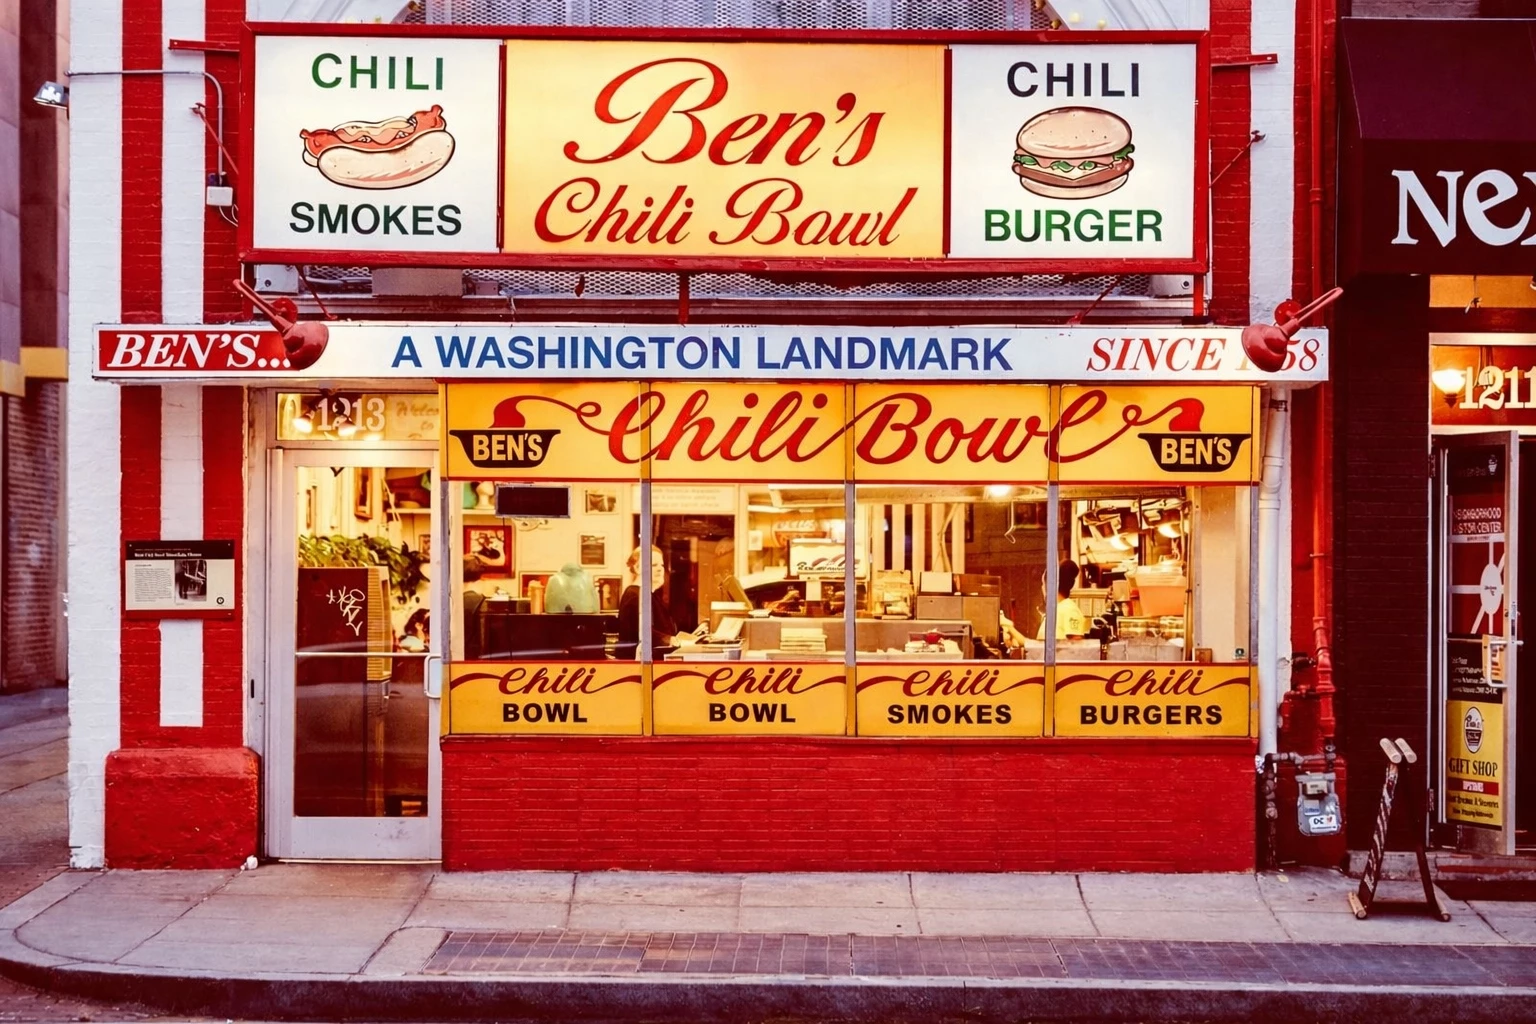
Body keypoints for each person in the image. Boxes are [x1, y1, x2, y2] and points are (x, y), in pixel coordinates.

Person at [617, 546, 704, 657]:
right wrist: (672, 640)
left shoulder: (649, 595)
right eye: (654, 565)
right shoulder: (634, 595)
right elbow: (642, 632)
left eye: (661, 565)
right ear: (637, 568)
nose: (660, 569)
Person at [1037, 558, 1087, 640]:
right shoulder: (1056, 610)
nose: (1042, 588)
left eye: (1043, 584)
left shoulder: (1069, 609)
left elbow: (1076, 644)